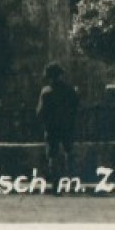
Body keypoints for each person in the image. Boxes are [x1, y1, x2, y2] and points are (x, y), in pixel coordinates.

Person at [36, 62, 80, 195]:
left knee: (52, 155)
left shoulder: (46, 92)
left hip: (52, 127)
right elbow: (76, 107)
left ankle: (56, 184)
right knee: (69, 152)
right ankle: (71, 182)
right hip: (67, 126)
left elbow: (40, 112)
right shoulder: (69, 90)